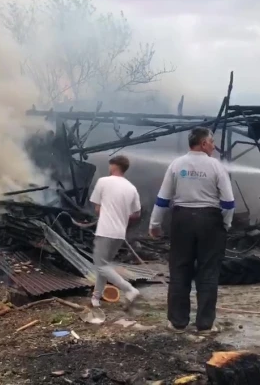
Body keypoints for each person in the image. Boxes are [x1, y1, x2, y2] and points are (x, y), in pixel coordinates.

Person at [148, 127, 234, 334]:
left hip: (182, 220)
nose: (214, 146)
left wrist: (154, 224)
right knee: (208, 271)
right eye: (212, 142)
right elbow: (229, 202)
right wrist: (225, 224)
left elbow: (162, 199)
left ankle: (177, 322)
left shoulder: (176, 165)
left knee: (179, 270)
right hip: (210, 220)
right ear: (203, 143)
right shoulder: (216, 166)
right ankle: (205, 324)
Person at [89, 155, 142, 309]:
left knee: (100, 265)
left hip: (105, 230)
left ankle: (129, 289)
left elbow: (97, 208)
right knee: (104, 265)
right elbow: (137, 214)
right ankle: (96, 298)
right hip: (119, 233)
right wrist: (122, 214)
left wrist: (107, 213)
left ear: (113, 166)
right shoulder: (131, 188)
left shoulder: (103, 182)